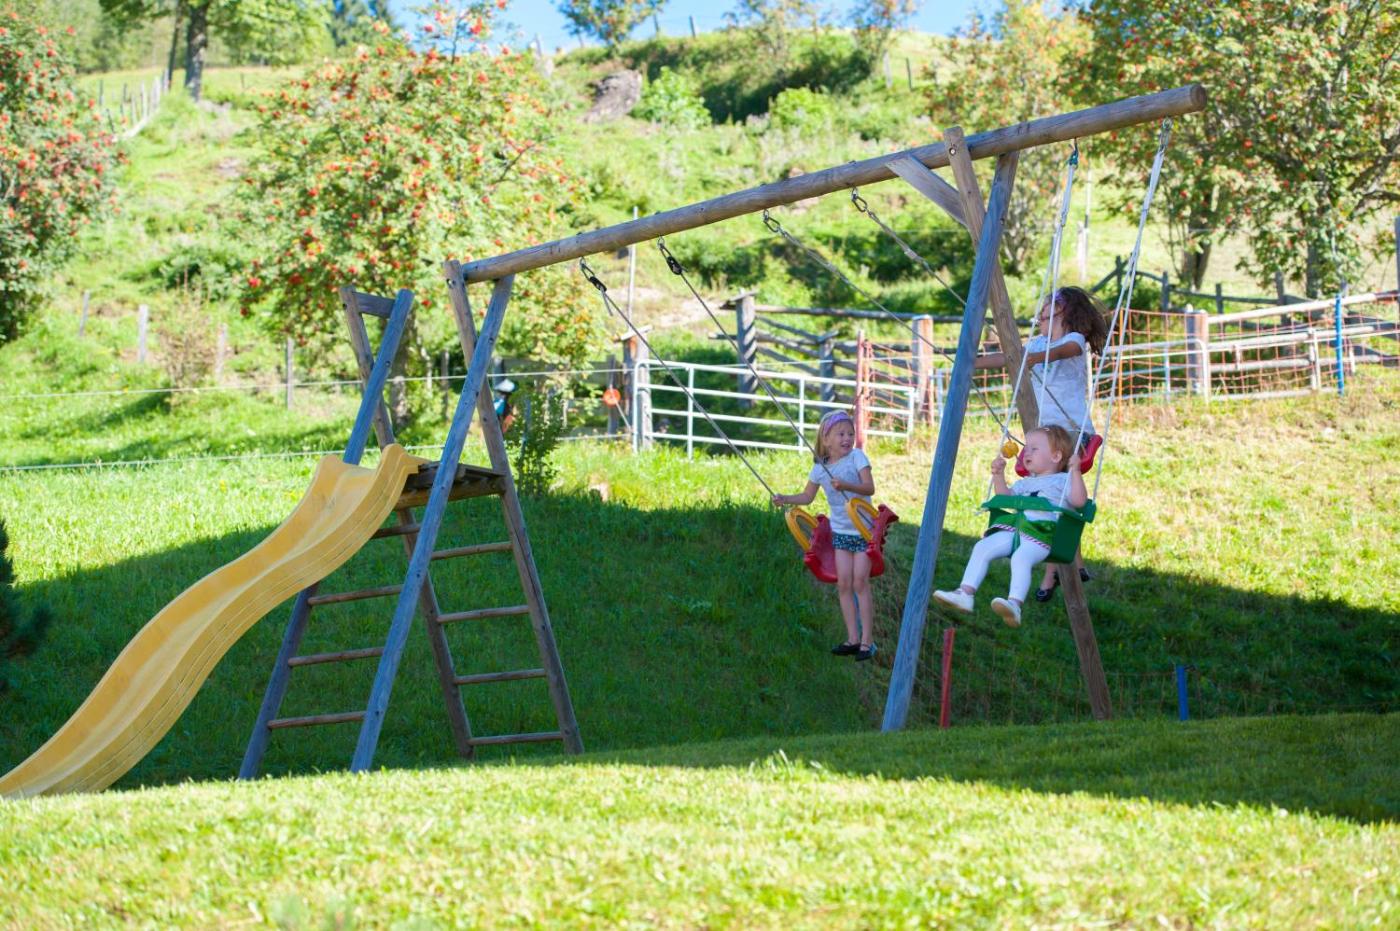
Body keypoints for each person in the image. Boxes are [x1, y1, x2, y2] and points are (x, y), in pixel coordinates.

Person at [975, 286, 1107, 600]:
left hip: (1072, 433)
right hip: (1046, 436)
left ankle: (1053, 571)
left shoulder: (1073, 339)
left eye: (1047, 313)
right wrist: (972, 364)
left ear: (1064, 313)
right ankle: (1070, 564)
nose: (1041, 318)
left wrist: (1035, 358)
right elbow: (1010, 357)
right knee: (1050, 494)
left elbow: (1066, 351)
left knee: (1053, 491)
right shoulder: (1036, 343)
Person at [932, 425, 1088, 628]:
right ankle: (965, 594)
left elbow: (1079, 501)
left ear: (1056, 456)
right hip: (1016, 530)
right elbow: (1005, 497)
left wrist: (1075, 471)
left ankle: (1014, 605)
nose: (1026, 453)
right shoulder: (1024, 483)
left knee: (1021, 558)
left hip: (1042, 536)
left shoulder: (1064, 481)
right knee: (982, 546)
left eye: (1034, 449)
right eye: (1026, 448)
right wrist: (998, 475)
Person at [771, 410, 879, 661]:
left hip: (864, 530)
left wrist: (846, 485)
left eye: (850, 433)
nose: (847, 438)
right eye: (841, 434)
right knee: (844, 584)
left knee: (860, 583)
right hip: (840, 533)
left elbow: (869, 488)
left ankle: (867, 641)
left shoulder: (857, 458)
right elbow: (807, 497)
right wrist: (785, 499)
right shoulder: (820, 470)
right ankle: (852, 638)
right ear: (826, 439)